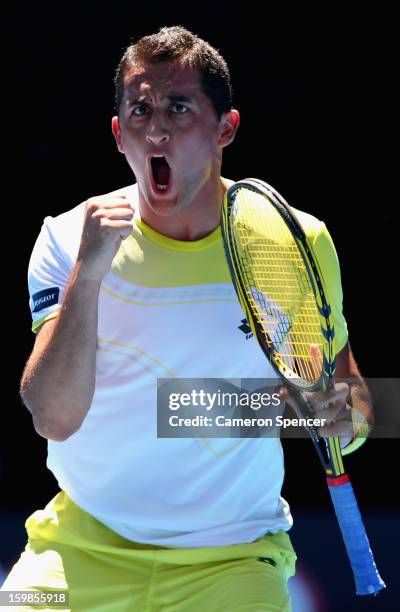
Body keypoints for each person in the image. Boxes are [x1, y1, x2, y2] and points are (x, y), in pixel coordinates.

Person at [2, 26, 371, 611]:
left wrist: (336, 418)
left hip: (233, 559)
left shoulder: (294, 240)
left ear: (226, 127)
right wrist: (89, 274)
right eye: (141, 110)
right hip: (78, 547)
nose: (158, 128)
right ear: (120, 134)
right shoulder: (69, 237)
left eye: (179, 107)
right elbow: (53, 415)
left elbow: (356, 407)